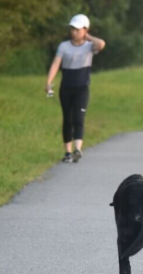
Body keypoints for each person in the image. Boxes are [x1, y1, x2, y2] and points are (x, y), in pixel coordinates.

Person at [45, 14, 106, 163]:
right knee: (68, 118)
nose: (74, 32)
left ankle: (77, 149)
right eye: (72, 29)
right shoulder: (64, 46)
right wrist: (48, 82)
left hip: (82, 88)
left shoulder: (89, 46)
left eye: (78, 29)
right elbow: (55, 64)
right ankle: (67, 152)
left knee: (79, 117)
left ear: (85, 30)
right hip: (66, 87)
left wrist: (88, 36)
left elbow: (101, 44)